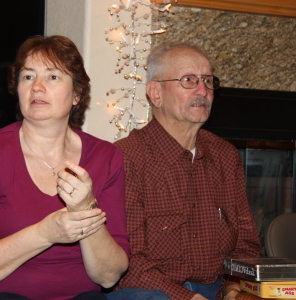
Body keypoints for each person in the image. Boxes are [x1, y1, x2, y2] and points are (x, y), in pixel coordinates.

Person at [0, 35, 130, 300]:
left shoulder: (106, 156)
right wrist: (45, 233)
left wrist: (86, 209)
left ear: (77, 94)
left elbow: (109, 276)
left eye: (53, 77)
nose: (37, 87)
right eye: (28, 77)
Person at [109, 41, 262, 300]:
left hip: (217, 290)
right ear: (155, 93)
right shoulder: (124, 157)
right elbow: (128, 262)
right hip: (148, 292)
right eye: (189, 80)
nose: (203, 90)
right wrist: (188, 298)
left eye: (208, 80)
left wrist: (233, 291)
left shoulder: (225, 156)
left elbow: (246, 245)